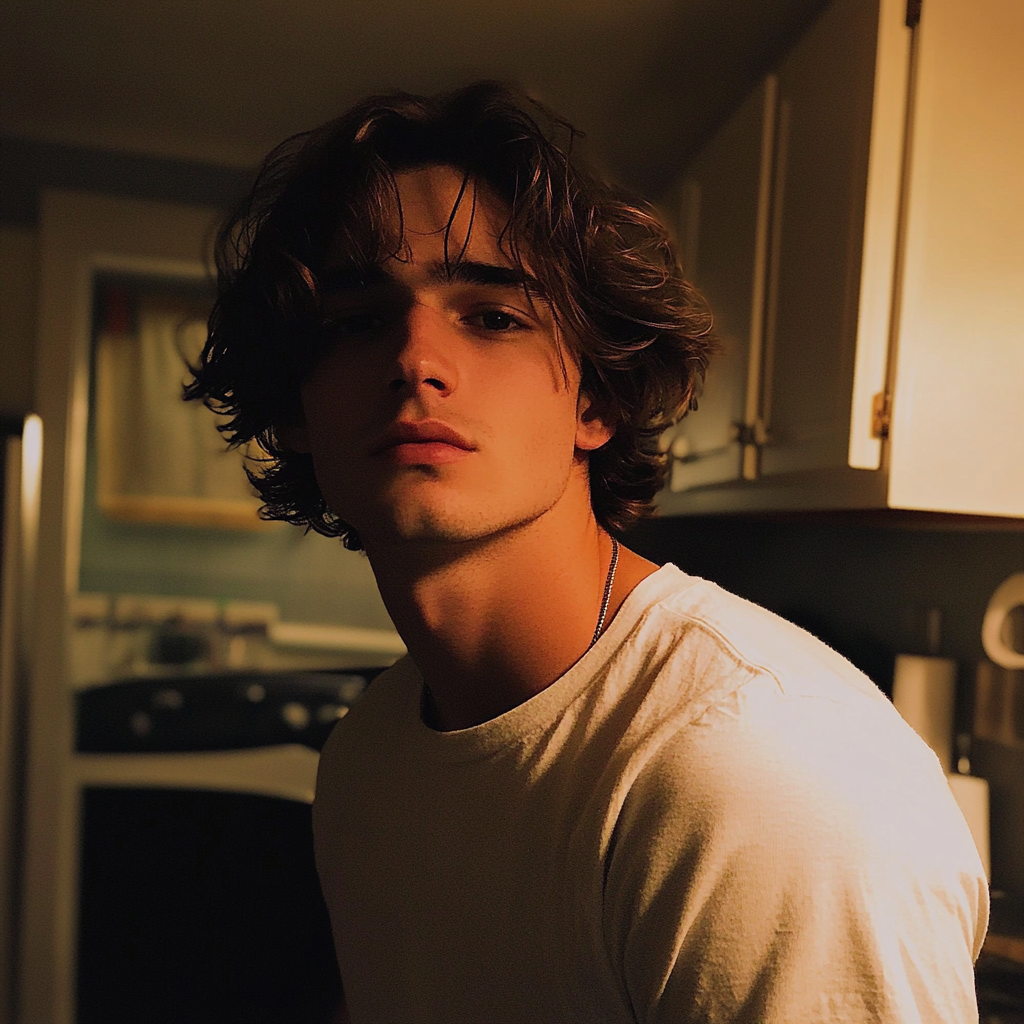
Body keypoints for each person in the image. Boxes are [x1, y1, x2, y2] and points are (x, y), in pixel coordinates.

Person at [187, 82, 988, 1023]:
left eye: (493, 315)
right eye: (360, 319)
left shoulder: (760, 769)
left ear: (597, 402)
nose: (415, 358)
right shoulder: (371, 753)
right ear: (296, 406)